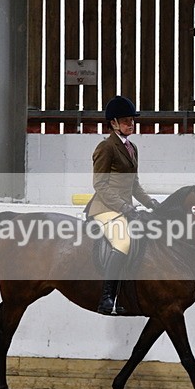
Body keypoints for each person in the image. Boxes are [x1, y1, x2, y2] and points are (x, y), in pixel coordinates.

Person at [86, 95, 160, 315]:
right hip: (105, 208)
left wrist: (152, 203)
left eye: (132, 120)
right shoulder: (106, 147)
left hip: (123, 209)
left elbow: (134, 185)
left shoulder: (132, 148)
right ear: (114, 123)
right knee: (123, 242)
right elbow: (100, 184)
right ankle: (107, 298)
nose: (131, 124)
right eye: (126, 120)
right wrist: (124, 207)